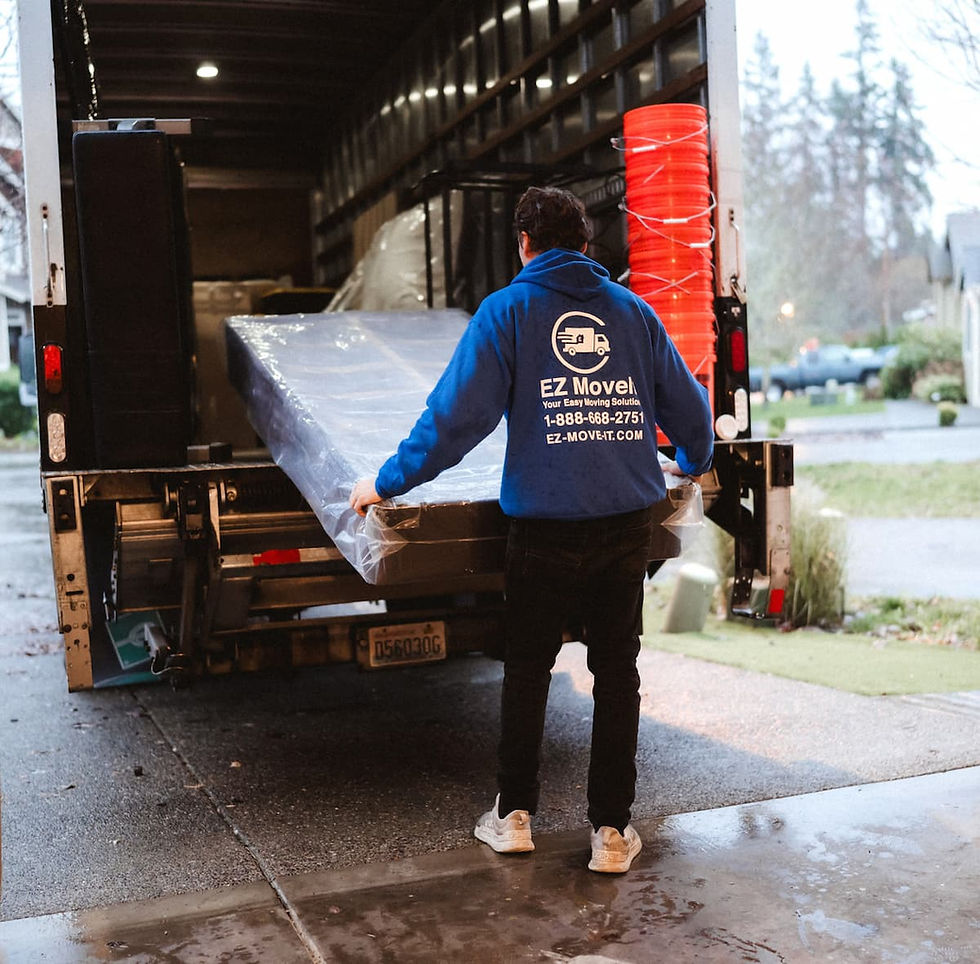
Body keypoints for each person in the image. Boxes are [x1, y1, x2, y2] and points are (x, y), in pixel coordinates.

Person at [350, 186, 713, 872]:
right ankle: (611, 833)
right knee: (617, 673)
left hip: (541, 531)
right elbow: (689, 410)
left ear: (524, 242)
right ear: (586, 243)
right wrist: (692, 464)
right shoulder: (633, 313)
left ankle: (513, 816)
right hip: (622, 525)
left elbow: (454, 421)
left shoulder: (508, 313)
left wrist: (385, 482)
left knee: (526, 672)